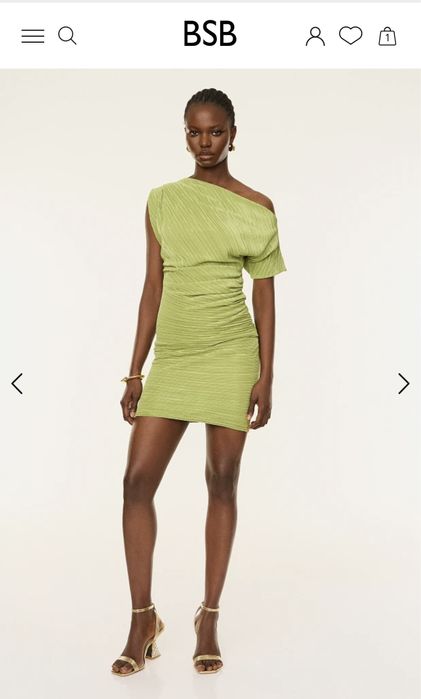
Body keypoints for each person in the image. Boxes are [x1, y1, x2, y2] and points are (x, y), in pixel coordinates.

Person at [111, 88, 287, 677]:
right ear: (184, 134)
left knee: (222, 479)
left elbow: (265, 297)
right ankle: (143, 619)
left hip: (232, 354)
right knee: (137, 482)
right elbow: (151, 288)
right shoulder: (162, 201)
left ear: (233, 134)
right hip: (176, 355)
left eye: (215, 132)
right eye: (194, 131)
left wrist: (265, 375)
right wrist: (135, 370)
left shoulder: (258, 206)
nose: (204, 142)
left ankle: (208, 616)